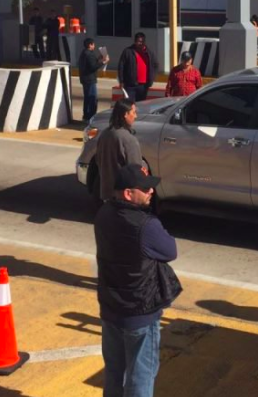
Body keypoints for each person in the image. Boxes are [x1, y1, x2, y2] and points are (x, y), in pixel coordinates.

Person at [95, 163, 181, 397]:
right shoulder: (146, 225)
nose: (151, 191)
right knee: (141, 375)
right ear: (128, 193)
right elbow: (170, 250)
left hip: (111, 307)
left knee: (114, 371)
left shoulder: (103, 214)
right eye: (145, 189)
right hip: (140, 312)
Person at [96, 99, 143, 201]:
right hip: (123, 196)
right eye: (134, 112)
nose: (136, 116)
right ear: (125, 114)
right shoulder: (128, 139)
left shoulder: (104, 134)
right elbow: (136, 171)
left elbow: (98, 160)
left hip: (106, 193)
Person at [118, 32, 156, 103]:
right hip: (130, 85)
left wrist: (152, 77)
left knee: (141, 105)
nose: (140, 43)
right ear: (135, 41)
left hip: (143, 86)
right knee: (129, 105)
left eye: (142, 41)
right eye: (139, 41)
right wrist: (121, 81)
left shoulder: (149, 53)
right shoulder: (128, 51)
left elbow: (155, 65)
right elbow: (121, 66)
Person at [78, 38, 109, 121]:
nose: (94, 46)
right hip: (90, 79)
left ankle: (86, 115)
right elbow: (93, 67)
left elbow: (92, 63)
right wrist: (103, 62)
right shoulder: (89, 54)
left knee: (87, 98)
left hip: (85, 79)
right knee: (92, 99)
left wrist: (99, 58)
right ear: (90, 45)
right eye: (93, 44)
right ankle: (91, 116)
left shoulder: (85, 53)